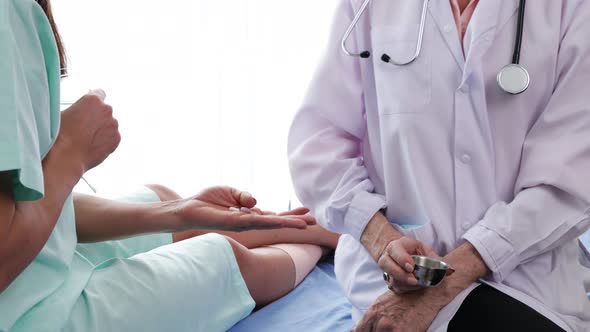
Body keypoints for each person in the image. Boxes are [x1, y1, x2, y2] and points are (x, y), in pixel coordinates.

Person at [0, 0, 339, 331]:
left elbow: (29, 205)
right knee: (225, 260)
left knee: (160, 197)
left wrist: (179, 212)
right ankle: (323, 243)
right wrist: (70, 153)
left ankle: (321, 231)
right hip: (23, 310)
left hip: (33, 265)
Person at [288, 0, 590, 331]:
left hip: (527, 278)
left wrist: (447, 281)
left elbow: (571, 180)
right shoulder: (366, 6)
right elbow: (318, 144)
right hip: (396, 279)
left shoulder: (572, 9)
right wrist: (380, 238)